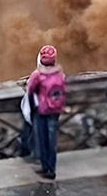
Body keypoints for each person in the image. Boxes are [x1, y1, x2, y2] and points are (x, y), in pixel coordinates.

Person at [26, 44, 67, 181]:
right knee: (52, 142)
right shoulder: (60, 74)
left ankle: (46, 168)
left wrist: (32, 110)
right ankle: (52, 168)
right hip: (55, 111)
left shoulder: (37, 75)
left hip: (42, 111)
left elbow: (30, 90)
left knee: (42, 140)